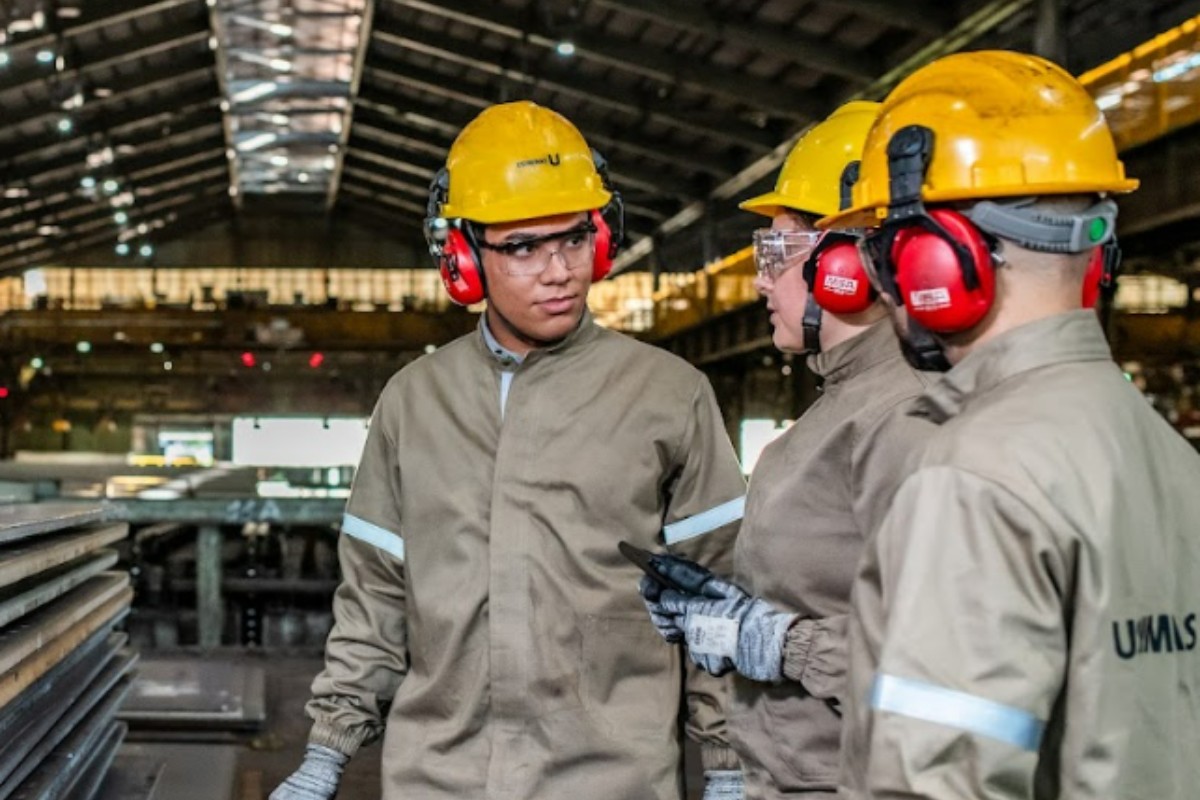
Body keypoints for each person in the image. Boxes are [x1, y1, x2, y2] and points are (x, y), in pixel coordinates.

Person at [269, 100, 749, 800]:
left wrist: (728, 762)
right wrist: (327, 751)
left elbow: (719, 592)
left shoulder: (670, 396)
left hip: (614, 780)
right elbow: (374, 594)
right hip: (439, 778)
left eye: (575, 238)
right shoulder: (414, 402)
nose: (559, 270)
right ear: (462, 257)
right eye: (523, 247)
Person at [820, 50, 1200, 799]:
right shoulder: (1172, 458)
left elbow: (936, 784)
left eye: (885, 255)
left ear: (933, 262)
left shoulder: (973, 476)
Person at [638, 101, 934, 798]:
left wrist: (780, 643)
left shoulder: (908, 415)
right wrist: (722, 613)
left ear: (849, 260)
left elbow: (959, 663)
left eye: (777, 254)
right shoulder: (837, 411)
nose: (761, 280)